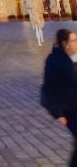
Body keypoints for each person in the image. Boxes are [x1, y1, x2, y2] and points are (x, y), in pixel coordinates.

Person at [41, 28, 77, 166]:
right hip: (69, 111)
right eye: (73, 41)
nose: (76, 43)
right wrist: (58, 113)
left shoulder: (72, 57)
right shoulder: (55, 62)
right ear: (65, 43)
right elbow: (48, 89)